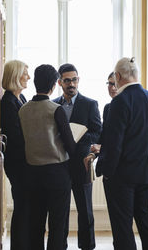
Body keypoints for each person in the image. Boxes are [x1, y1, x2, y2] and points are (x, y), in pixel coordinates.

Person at [96, 57, 148, 250]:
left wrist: (107, 171)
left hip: (122, 175)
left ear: (117, 76)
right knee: (146, 221)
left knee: (123, 226)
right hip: (147, 172)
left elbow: (114, 144)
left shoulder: (119, 102)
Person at [18, 64, 76, 250]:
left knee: (36, 223)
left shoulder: (23, 110)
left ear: (35, 82)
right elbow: (69, 144)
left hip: (31, 173)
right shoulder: (55, 109)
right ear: (53, 85)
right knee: (58, 224)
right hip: (56, 173)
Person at [53, 63, 101, 250]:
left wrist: (80, 138)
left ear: (78, 80)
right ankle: (60, 245)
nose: (71, 84)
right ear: (60, 82)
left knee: (85, 210)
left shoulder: (90, 104)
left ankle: (87, 246)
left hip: (82, 163)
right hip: (60, 164)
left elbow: (98, 131)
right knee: (60, 210)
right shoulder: (53, 104)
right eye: (67, 80)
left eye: (74, 79)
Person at [0, 59, 31, 250]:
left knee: (25, 205)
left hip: (23, 160)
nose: (29, 76)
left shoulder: (21, 98)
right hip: (17, 161)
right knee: (22, 204)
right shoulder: (8, 102)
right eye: (25, 73)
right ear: (15, 76)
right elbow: (17, 135)